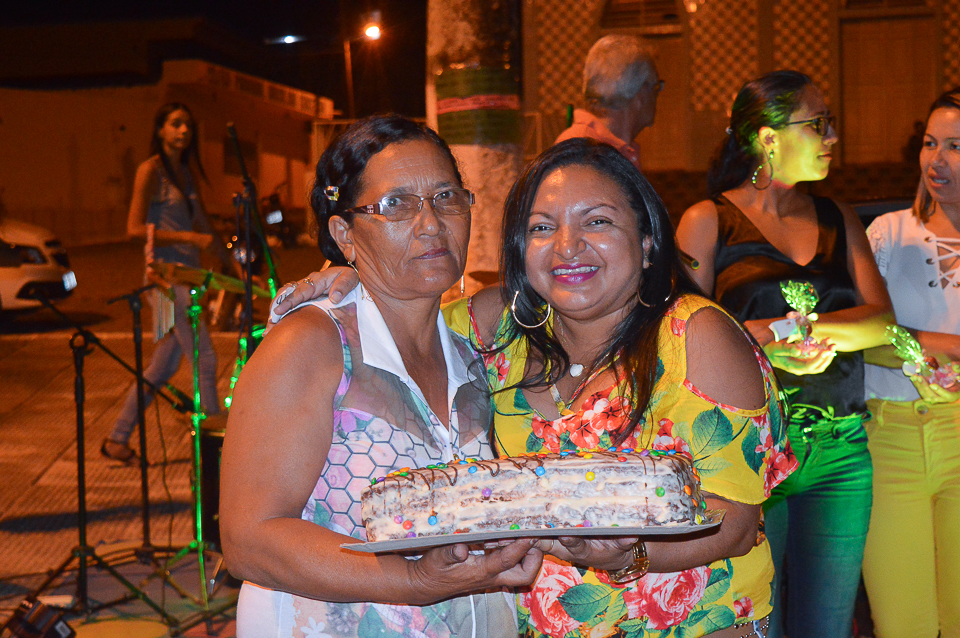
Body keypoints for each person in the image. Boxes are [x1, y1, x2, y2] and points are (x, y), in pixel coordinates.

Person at [272, 138, 797, 638]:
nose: (568, 246)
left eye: (597, 221)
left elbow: (735, 522)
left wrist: (630, 555)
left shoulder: (696, 336)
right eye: (542, 227)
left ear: (647, 241)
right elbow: (400, 319)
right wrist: (354, 276)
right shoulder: (499, 329)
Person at [218, 115, 544, 638]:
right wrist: (413, 580)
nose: (431, 223)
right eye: (396, 204)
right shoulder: (314, 344)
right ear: (344, 233)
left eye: (446, 197)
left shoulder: (470, 354)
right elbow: (248, 540)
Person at [675, 70, 894, 638]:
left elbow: (881, 321)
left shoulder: (837, 216)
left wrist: (806, 331)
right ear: (768, 138)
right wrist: (771, 340)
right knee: (754, 620)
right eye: (818, 123)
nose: (832, 136)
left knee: (828, 625)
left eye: (829, 123)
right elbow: (680, 338)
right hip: (751, 451)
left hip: (839, 448)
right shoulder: (707, 220)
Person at [861, 87, 960, 638]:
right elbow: (861, 336)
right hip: (889, 437)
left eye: (955, 146)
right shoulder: (887, 233)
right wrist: (938, 345)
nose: (936, 160)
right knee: (903, 624)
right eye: (929, 143)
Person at [102, 102, 233, 464]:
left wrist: (232, 265)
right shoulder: (151, 171)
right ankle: (214, 448)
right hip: (163, 283)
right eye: (175, 124)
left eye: (187, 124)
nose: (183, 130)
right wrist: (188, 238)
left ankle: (116, 440)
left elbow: (203, 223)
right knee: (205, 358)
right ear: (160, 129)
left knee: (162, 367)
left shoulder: (185, 173)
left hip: (187, 280)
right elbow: (133, 229)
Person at [553, 35, 662, 171]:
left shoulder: (612, 148)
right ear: (642, 93)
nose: (657, 95)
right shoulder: (581, 152)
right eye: (657, 86)